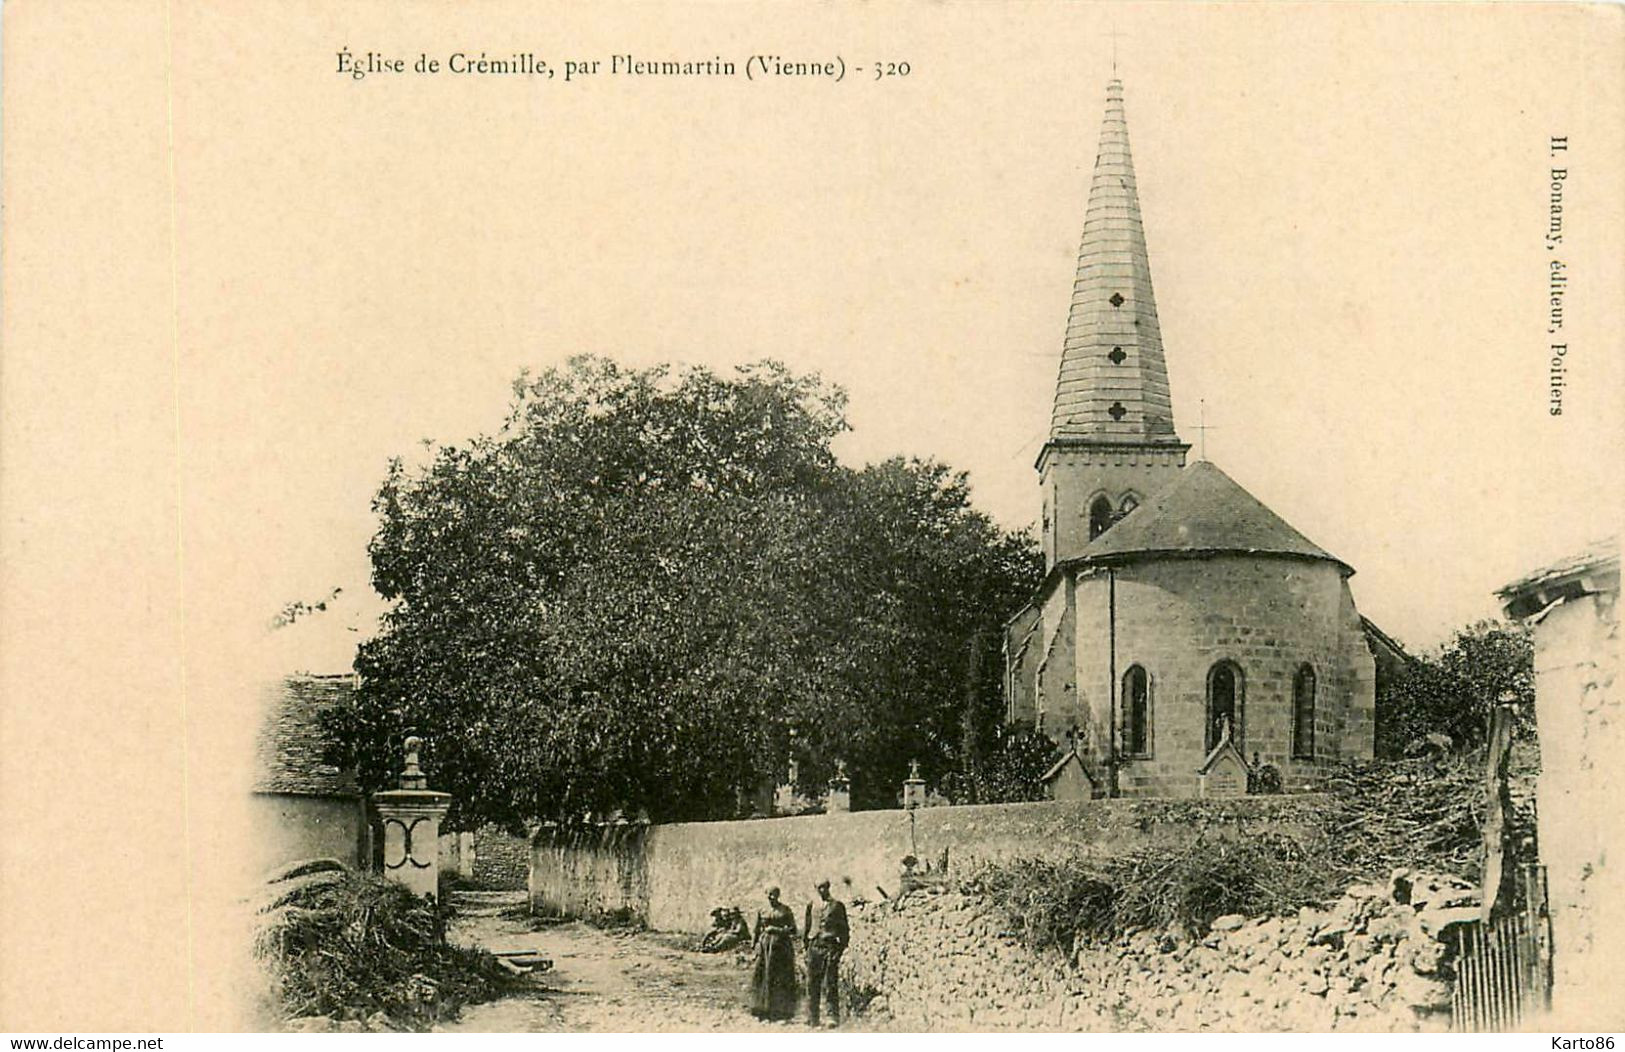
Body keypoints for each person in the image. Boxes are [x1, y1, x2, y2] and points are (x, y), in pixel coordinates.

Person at [748, 886, 799, 1021]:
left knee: (779, 977)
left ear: (778, 895)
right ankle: (761, 1009)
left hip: (781, 947)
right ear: (766, 895)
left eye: (774, 895)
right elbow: (756, 929)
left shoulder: (785, 910)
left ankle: (780, 1010)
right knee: (763, 975)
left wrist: (777, 930)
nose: (771, 897)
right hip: (765, 947)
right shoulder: (762, 910)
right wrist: (754, 945)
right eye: (769, 894)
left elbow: (793, 929)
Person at [804, 879, 849, 1027]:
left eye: (824, 887)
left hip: (830, 947)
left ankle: (832, 1017)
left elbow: (844, 930)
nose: (821, 890)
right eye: (818, 888)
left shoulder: (837, 906)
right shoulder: (811, 906)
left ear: (829, 887)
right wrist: (807, 948)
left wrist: (839, 950)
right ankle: (813, 1017)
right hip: (814, 947)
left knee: (830, 983)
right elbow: (807, 928)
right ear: (815, 888)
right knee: (812, 983)